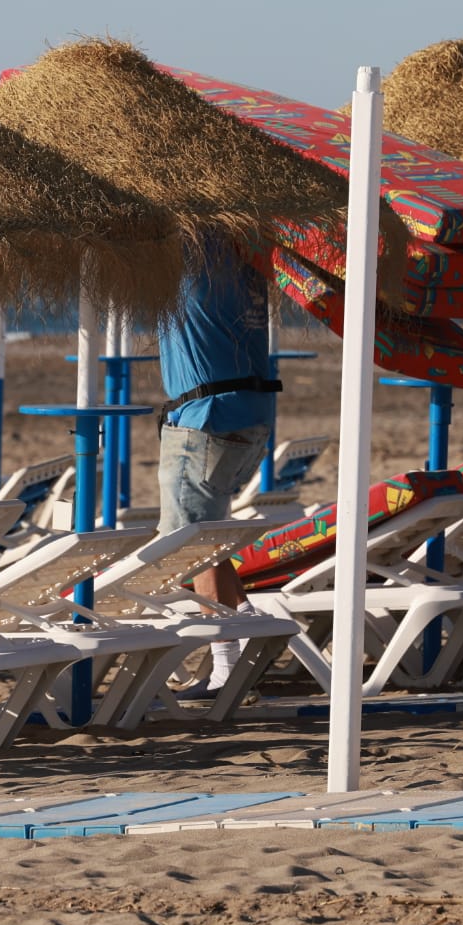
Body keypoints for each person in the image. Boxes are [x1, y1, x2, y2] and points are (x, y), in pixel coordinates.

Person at [156, 234, 279, 691]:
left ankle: (227, 658)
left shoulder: (187, 251)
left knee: (190, 544)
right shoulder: (249, 259)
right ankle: (243, 625)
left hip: (204, 416)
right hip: (252, 413)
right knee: (209, 535)